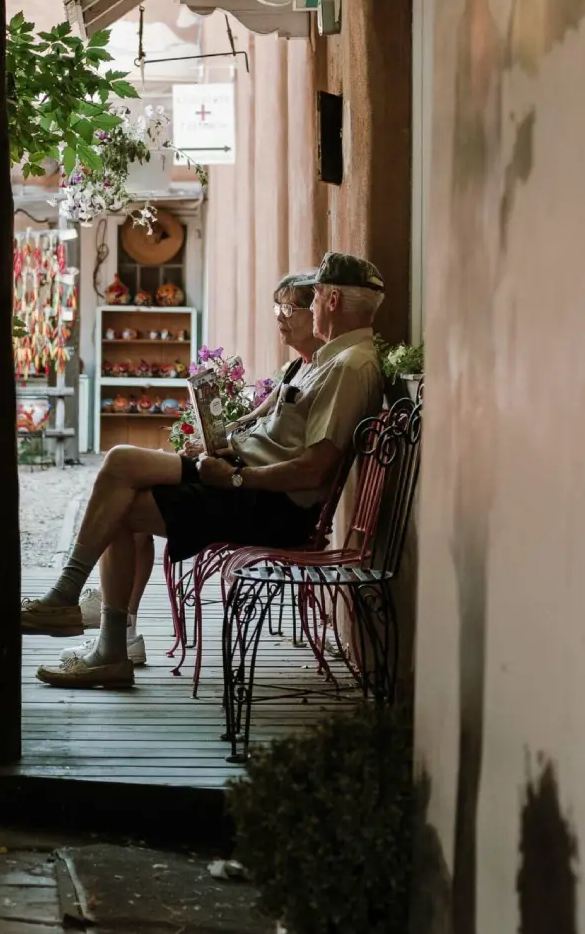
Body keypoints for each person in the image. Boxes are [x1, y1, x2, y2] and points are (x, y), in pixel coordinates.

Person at [21, 253, 386, 690]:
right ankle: (77, 607)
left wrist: (233, 478)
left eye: (300, 304)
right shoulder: (332, 360)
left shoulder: (349, 366)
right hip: (246, 480)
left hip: (269, 504)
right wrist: (227, 458)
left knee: (120, 505)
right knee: (119, 461)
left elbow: (313, 470)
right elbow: (276, 437)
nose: (288, 315)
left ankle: (104, 641)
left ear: (328, 299)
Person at [57, 270, 324, 668]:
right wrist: (216, 437)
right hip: (236, 467)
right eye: (277, 307)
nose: (280, 317)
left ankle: (88, 611)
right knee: (120, 469)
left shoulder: (329, 371)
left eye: (289, 308)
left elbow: (307, 465)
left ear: (317, 311)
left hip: (250, 488)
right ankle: (107, 626)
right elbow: (251, 421)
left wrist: (232, 467)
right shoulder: (296, 369)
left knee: (122, 485)